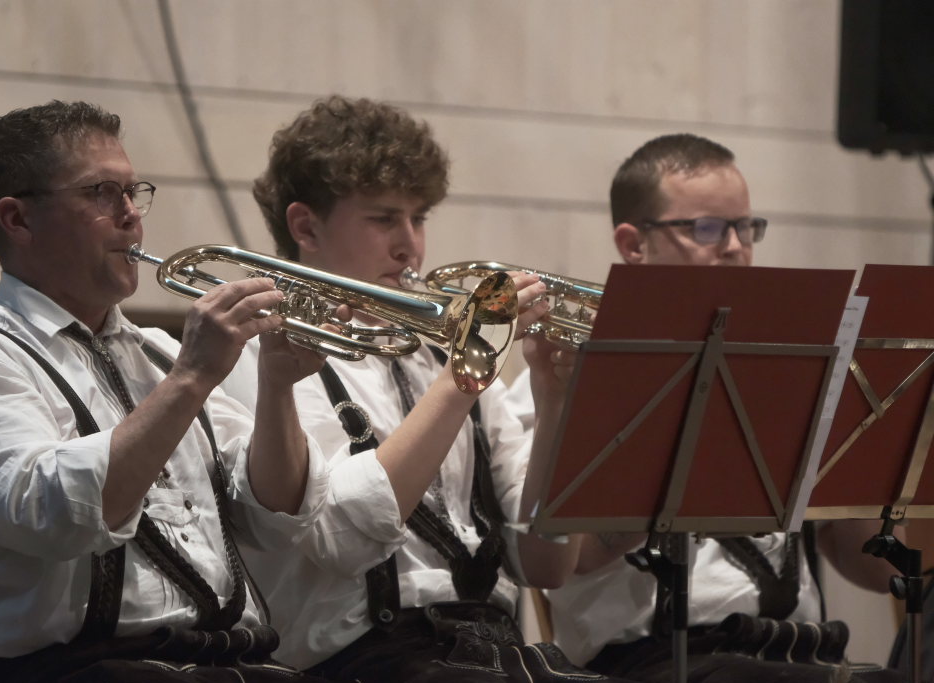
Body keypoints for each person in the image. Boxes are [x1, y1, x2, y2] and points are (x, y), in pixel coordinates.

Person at [0, 100, 336, 682]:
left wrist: (277, 386)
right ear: (18, 219)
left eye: (133, 192)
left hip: (228, 661)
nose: (132, 215)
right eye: (101, 193)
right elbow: (57, 515)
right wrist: (191, 378)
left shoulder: (157, 352)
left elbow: (275, 517)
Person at [221, 95, 627, 683]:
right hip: (361, 661)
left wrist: (553, 396)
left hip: (496, 651)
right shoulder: (262, 355)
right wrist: (464, 376)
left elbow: (547, 565)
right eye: (384, 219)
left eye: (419, 218)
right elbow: (342, 538)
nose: (410, 244)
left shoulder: (442, 359)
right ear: (306, 226)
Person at [508, 133, 905, 682]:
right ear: (634, 244)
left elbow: (875, 571)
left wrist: (860, 434)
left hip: (805, 653)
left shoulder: (788, 364)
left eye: (746, 227)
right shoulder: (563, 375)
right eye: (709, 229)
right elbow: (573, 561)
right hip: (654, 659)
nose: (736, 247)